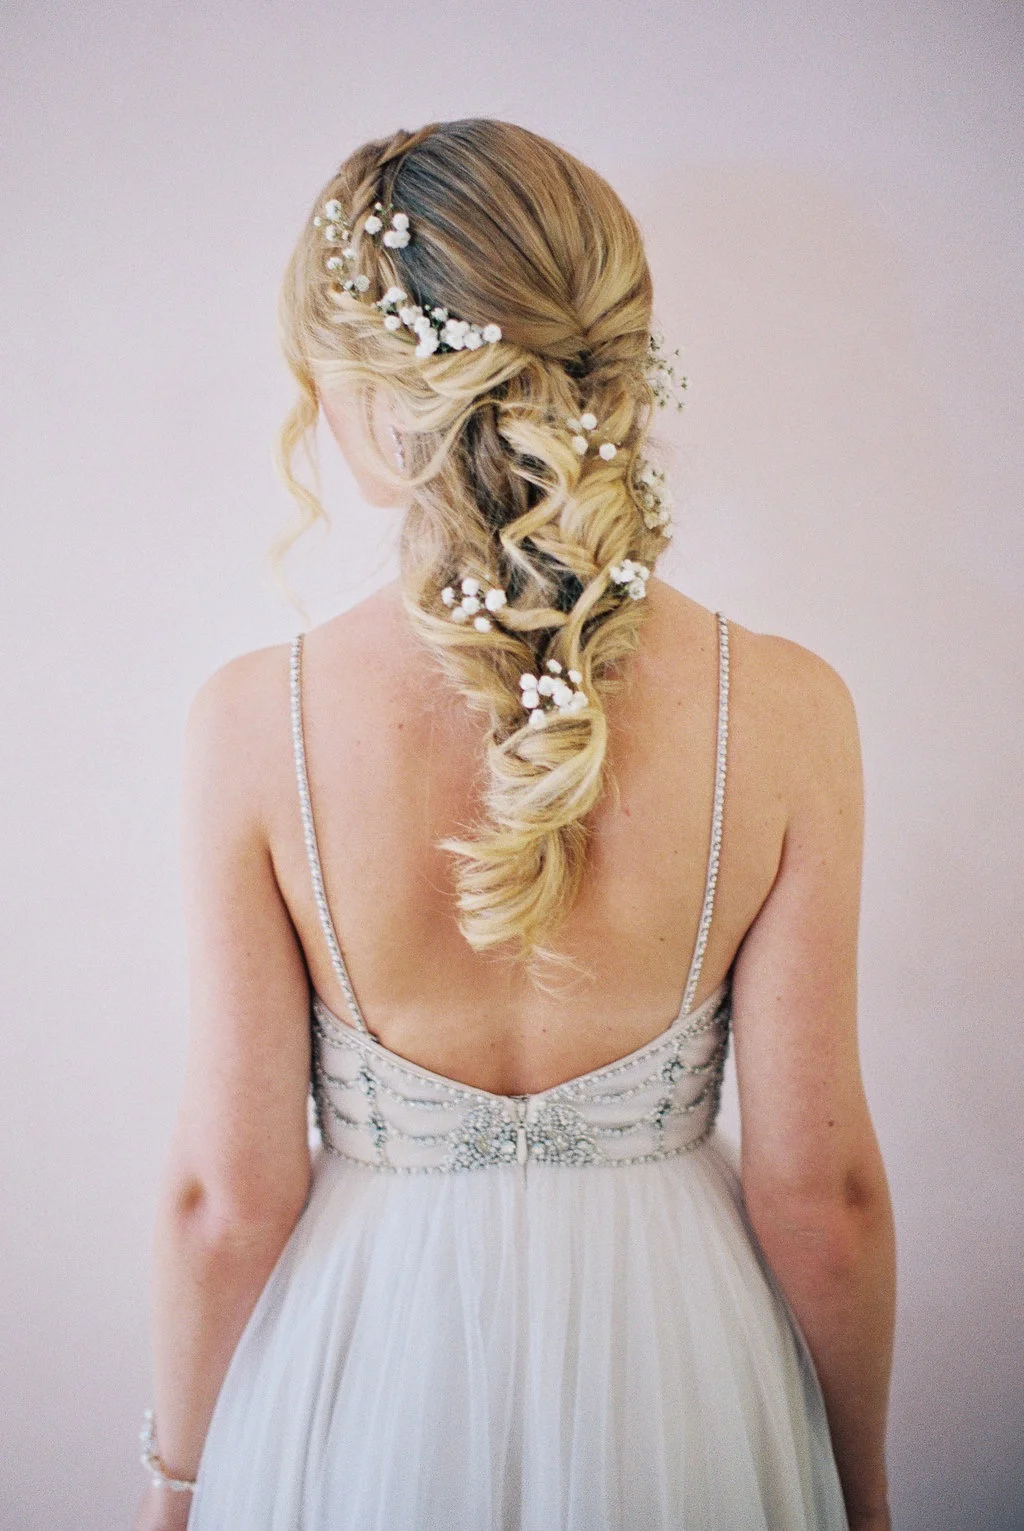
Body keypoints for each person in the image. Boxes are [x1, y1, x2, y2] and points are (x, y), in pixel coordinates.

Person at [134, 118, 896, 1531]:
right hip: (680, 1369)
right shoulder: (790, 713)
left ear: (368, 391)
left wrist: (174, 1487)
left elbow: (226, 1203)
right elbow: (820, 1198)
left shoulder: (253, 725)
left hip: (368, 1363)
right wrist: (862, 1492)